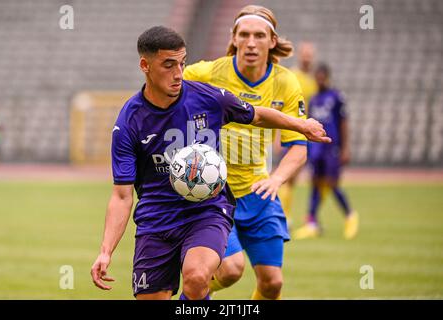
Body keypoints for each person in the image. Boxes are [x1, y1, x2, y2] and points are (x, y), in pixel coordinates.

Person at [90, 26, 330, 300]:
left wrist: (301, 125)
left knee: (197, 276)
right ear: (145, 65)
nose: (178, 73)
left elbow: (257, 115)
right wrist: (106, 251)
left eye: (181, 63)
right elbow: (121, 196)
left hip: (206, 212)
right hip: (155, 220)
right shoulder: (128, 122)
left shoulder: (208, 97)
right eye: (168, 65)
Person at [183, 5, 309, 300]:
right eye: (244, 35)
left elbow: (298, 148)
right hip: (214, 193)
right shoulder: (206, 73)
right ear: (234, 38)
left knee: (272, 284)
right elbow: (167, 90)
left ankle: (196, 291)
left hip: (258, 193)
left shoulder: (286, 83)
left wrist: (276, 179)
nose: (251, 42)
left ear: (272, 41)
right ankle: (193, 295)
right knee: (229, 270)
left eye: (259, 35)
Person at [293, 63, 358, 240]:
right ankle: (312, 223)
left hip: (332, 148)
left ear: (328, 77)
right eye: (317, 77)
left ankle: (350, 216)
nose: (320, 80)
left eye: (323, 77)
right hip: (317, 149)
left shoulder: (337, 97)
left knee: (332, 183)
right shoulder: (313, 100)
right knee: (314, 183)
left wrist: (345, 148)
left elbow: (344, 123)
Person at [277, 42, 319, 227]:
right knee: (287, 176)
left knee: (297, 179)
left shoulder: (314, 80)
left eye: (310, 55)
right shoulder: (291, 76)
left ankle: (290, 215)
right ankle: (283, 215)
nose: (307, 58)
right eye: (305, 54)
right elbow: (282, 105)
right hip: (292, 132)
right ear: (299, 55)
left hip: (309, 133)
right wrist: (279, 135)